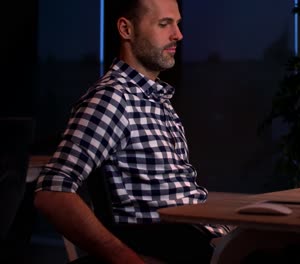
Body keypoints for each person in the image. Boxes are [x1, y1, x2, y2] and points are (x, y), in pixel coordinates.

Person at [34, 0, 229, 263]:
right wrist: (126, 258)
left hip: (205, 241)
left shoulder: (156, 100)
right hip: (172, 247)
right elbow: (52, 191)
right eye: (164, 24)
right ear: (126, 29)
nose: (178, 35)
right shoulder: (112, 99)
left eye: (177, 24)